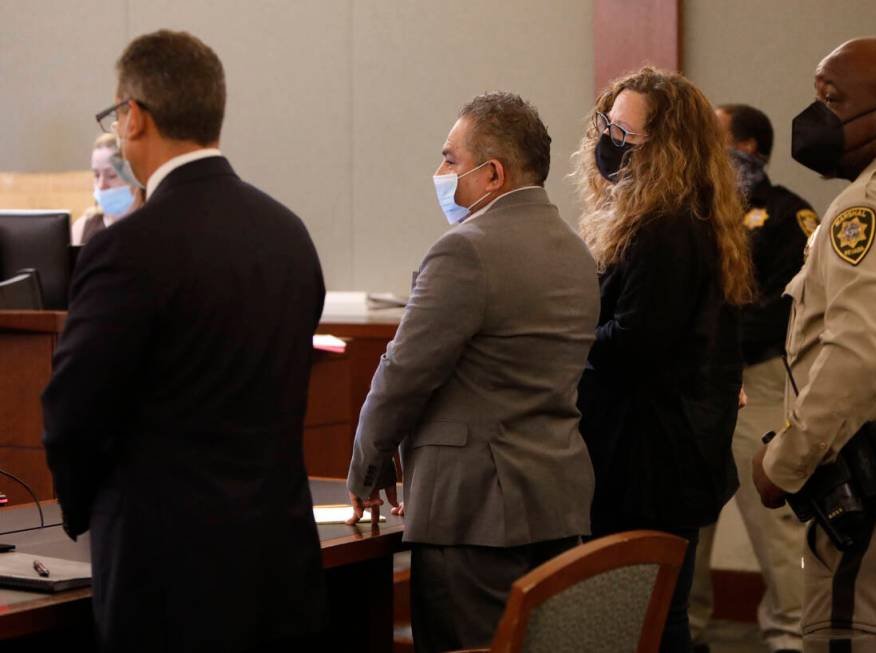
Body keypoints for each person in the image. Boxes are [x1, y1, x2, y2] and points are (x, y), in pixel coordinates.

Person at [42, 30, 326, 652]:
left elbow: (72, 413)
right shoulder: (288, 235)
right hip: (279, 567)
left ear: (133, 116)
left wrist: (78, 513)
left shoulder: (128, 248)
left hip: (166, 580)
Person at [345, 91, 599, 653]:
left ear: (493, 175)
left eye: (450, 160)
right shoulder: (577, 254)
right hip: (557, 503)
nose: (439, 173)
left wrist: (367, 465)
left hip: (475, 517)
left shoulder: (465, 251)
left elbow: (403, 373)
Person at [753, 37, 876, 653]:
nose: (814, 117)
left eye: (831, 99)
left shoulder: (870, 205)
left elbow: (860, 355)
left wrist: (785, 464)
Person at [574, 67, 754, 653]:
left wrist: (562, 338)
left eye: (627, 134)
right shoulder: (681, 217)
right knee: (646, 615)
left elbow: (635, 343)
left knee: (643, 621)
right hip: (660, 451)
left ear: (668, 148)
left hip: (649, 460)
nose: (610, 141)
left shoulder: (667, 226)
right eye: (608, 124)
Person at [689, 104, 818, 653]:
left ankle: (792, 635)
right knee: (689, 519)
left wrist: (718, 336)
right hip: (693, 382)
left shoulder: (790, 214)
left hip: (758, 378)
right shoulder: (691, 212)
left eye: (713, 137)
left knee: (777, 521)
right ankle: (684, 629)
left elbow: (792, 304)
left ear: (746, 144)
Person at [72, 133, 142, 245]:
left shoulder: (152, 226)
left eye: (111, 175)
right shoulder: (81, 229)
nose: (101, 185)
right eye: (96, 175)